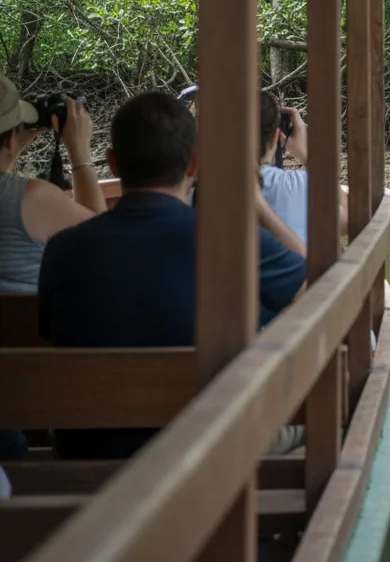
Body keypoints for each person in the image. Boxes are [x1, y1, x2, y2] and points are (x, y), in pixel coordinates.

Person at [38, 92, 308, 460]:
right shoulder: (231, 239)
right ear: (194, 165)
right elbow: (320, 289)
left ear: (113, 164)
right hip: (206, 452)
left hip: (89, 453)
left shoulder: (62, 250)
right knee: (327, 421)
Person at [0, 74, 105, 293]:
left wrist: (12, 150)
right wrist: (79, 151)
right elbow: (104, 240)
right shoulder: (31, 198)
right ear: (10, 136)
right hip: (22, 327)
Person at [258, 92, 348, 244]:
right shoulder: (301, 184)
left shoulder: (210, 184)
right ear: (276, 137)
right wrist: (308, 154)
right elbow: (349, 221)